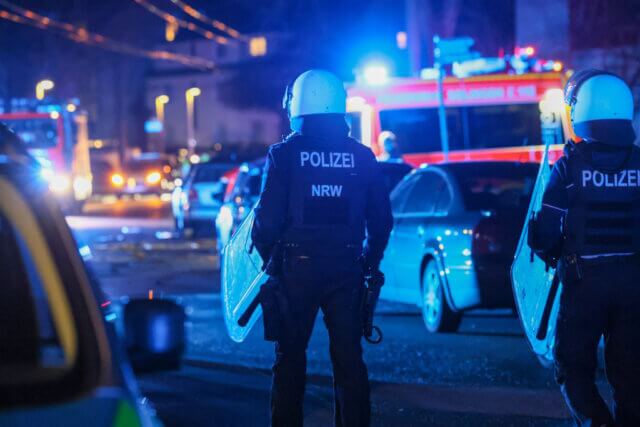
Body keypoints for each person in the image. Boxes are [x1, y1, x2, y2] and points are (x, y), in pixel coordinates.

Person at [251, 69, 393, 427]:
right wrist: (369, 264)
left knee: (289, 362)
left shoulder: (285, 155)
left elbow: (265, 224)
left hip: (296, 269)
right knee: (349, 362)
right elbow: (382, 220)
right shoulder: (362, 157)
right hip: (346, 269)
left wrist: (273, 263)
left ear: (297, 106)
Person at [528, 69, 640, 427]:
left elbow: (545, 232)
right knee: (631, 377)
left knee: (573, 369)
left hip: (585, 282)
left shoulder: (569, 167)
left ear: (583, 110)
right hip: (634, 282)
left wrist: (548, 252)